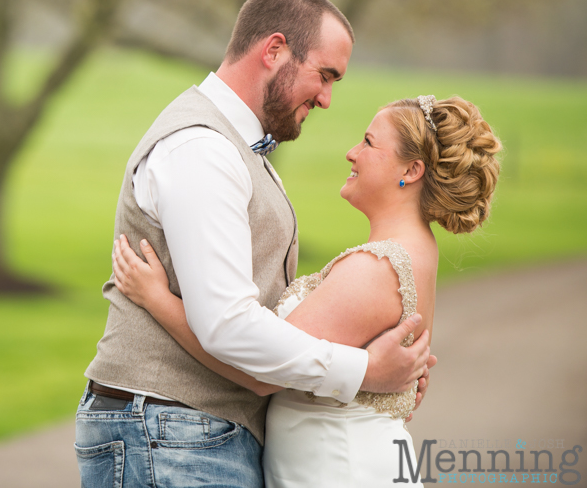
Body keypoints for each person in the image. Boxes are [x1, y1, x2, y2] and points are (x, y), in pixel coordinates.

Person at [77, 0, 434, 488]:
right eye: (325, 75)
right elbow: (227, 325)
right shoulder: (202, 150)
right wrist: (365, 373)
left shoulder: (236, 147)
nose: (328, 100)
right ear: (274, 51)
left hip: (186, 433)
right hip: (170, 433)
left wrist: (386, 381)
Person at [112, 94, 501, 486]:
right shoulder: (414, 252)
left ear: (412, 170)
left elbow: (259, 370)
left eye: (368, 142)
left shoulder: (376, 269)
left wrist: (157, 300)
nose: (352, 153)